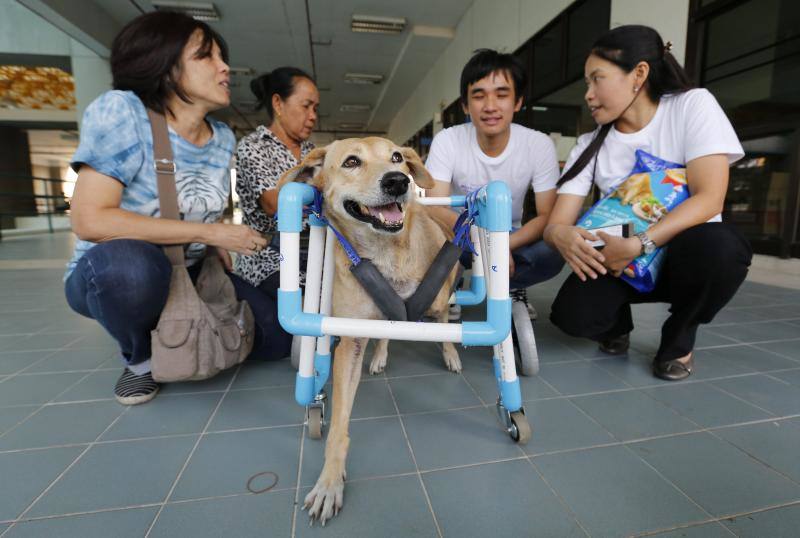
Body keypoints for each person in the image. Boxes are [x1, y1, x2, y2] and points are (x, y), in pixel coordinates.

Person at [65, 11, 282, 405]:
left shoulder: (221, 138)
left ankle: (177, 331)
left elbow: (204, 206)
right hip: (115, 267)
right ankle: (139, 359)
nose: (224, 67)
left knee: (276, 338)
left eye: (222, 56)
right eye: (206, 57)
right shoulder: (122, 112)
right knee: (130, 273)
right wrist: (210, 232)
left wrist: (214, 243)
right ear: (164, 66)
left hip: (193, 267)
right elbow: (90, 220)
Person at [544, 25, 752, 381]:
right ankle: (615, 325)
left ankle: (680, 336)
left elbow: (709, 198)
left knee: (721, 249)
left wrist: (640, 243)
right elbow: (556, 223)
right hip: (618, 262)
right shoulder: (589, 145)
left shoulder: (692, 106)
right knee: (572, 315)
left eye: (598, 80)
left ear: (639, 74)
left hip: (685, 255)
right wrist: (559, 235)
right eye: (587, 84)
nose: (589, 95)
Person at [425, 48, 564, 319]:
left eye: (501, 95)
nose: (490, 106)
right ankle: (454, 281)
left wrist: (503, 245)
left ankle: (513, 286)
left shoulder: (538, 144)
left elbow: (548, 215)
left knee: (553, 248)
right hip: (461, 234)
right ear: (465, 105)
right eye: (479, 95)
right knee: (428, 234)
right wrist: (486, 241)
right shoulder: (448, 140)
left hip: (513, 235)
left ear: (517, 102)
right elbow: (434, 208)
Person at [233, 67, 319, 353]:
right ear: (278, 104)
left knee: (331, 307)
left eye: (315, 108)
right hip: (269, 255)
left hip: (312, 252)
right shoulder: (253, 147)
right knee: (289, 332)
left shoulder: (312, 152)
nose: (313, 116)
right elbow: (275, 204)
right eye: (306, 106)